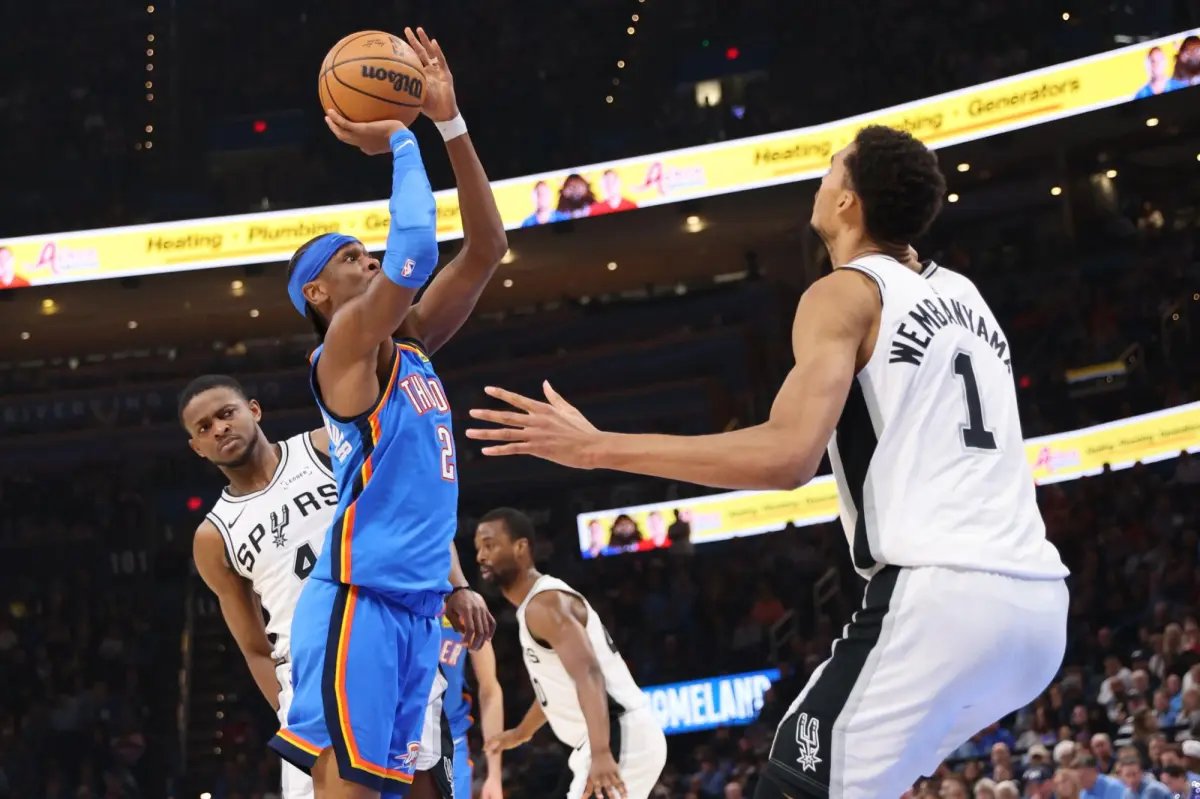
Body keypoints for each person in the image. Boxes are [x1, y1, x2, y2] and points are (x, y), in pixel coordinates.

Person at [465, 125, 1070, 798]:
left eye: (832, 168)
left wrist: (597, 446)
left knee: (790, 780)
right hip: (1041, 610)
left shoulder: (844, 293)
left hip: (945, 596)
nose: (822, 179)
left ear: (848, 202)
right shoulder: (964, 294)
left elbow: (787, 455)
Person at [267, 27, 507, 798]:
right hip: (360, 599)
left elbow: (487, 246)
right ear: (318, 293)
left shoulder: (413, 344)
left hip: (417, 604)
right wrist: (402, 140)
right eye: (349, 259)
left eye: (364, 252)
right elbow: (413, 254)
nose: (368, 259)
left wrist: (450, 123)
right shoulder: (342, 350)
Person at [181, 374, 494, 799]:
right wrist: (290, 707)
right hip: (308, 672)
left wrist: (458, 587)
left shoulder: (326, 446)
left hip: (388, 643)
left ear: (254, 410)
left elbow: (411, 513)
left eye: (226, 414)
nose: (219, 428)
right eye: (204, 428)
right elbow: (255, 648)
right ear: (197, 447)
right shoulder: (213, 536)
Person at [475, 508, 667, 799]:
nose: (481, 556)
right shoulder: (536, 605)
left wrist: (602, 752)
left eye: (490, 545)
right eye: (478, 548)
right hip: (600, 741)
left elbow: (589, 673)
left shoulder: (545, 604)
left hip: (619, 735)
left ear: (520, 547)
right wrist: (522, 732)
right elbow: (559, 686)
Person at [417, 615, 505, 799]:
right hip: (398, 738)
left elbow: (490, 689)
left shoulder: (468, 610)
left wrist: (494, 775)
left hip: (450, 739)